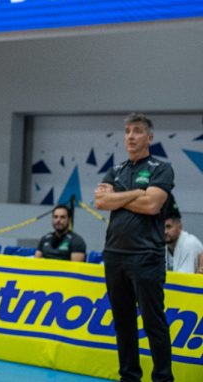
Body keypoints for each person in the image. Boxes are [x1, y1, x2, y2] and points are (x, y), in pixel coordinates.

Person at [95, 113, 174, 382]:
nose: (131, 136)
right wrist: (136, 193)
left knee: (153, 323)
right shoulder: (115, 170)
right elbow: (100, 202)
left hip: (146, 256)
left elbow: (152, 205)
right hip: (115, 255)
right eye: (128, 131)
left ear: (149, 137)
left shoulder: (161, 169)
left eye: (137, 131)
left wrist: (117, 197)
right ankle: (129, 377)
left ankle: (163, 378)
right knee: (123, 323)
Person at [164, 209, 203, 274]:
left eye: (169, 227)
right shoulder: (161, 245)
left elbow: (184, 278)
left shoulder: (189, 243)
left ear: (180, 227)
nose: (165, 231)